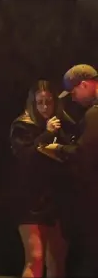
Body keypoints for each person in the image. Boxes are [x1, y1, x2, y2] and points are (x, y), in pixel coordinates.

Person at [10, 80, 74, 278]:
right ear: (33, 103)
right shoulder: (22, 125)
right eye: (40, 102)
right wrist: (47, 134)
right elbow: (26, 157)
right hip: (31, 199)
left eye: (49, 102)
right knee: (35, 257)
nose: (45, 107)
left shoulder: (64, 122)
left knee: (57, 258)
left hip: (56, 198)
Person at [43, 64, 98, 276]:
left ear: (84, 85)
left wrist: (59, 149)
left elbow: (85, 153)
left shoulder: (94, 114)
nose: (73, 98)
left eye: (74, 92)